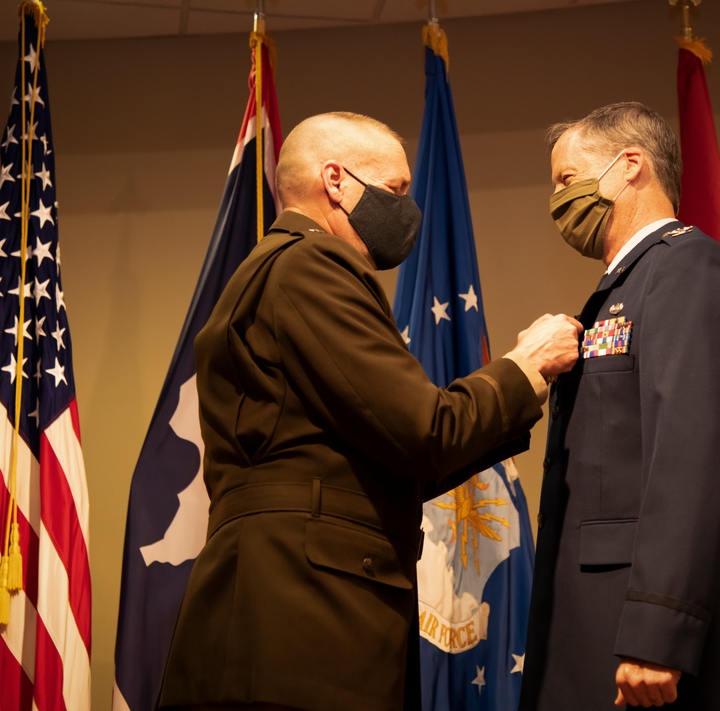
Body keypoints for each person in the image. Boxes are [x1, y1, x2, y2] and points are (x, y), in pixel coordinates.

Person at [157, 111, 583, 711]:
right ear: (335, 179)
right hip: (302, 623)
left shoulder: (272, 270)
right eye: (393, 191)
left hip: (278, 617)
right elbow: (423, 431)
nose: (407, 211)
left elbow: (392, 458)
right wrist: (523, 364)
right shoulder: (312, 264)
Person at [518, 102, 720, 710]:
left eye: (566, 180)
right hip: (593, 622)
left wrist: (660, 631)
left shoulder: (687, 268)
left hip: (643, 643)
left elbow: (693, 459)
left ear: (629, 164)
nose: (558, 200)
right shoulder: (621, 289)